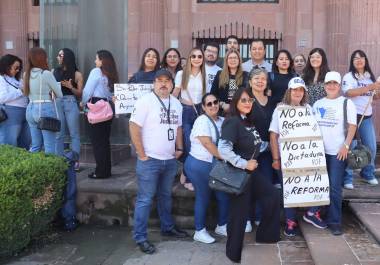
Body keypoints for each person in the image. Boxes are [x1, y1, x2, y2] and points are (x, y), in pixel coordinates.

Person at [129, 69, 188, 254]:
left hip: (169, 160)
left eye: (167, 81)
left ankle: (167, 228)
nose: (163, 84)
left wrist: (179, 148)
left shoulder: (176, 103)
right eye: (159, 80)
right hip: (150, 160)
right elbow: (134, 127)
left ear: (172, 84)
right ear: (154, 83)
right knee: (145, 199)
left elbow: (178, 128)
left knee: (165, 197)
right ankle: (140, 237)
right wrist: (142, 154)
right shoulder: (145, 101)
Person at [219, 87, 280, 263]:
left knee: (272, 195)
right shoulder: (232, 122)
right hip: (239, 174)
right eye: (243, 100)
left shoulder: (248, 121)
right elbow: (223, 149)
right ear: (236, 102)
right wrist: (244, 163)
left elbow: (257, 145)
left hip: (252, 173)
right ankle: (233, 253)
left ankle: (266, 236)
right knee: (239, 215)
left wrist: (278, 144)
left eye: (250, 100)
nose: (247, 103)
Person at [269, 77, 327, 237]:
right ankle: (290, 221)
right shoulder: (280, 109)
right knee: (289, 189)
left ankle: (312, 213)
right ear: (289, 91)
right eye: (294, 89)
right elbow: (273, 135)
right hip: (287, 158)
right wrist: (275, 159)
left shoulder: (309, 108)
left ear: (304, 92)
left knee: (316, 183)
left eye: (301, 90)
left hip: (307, 156)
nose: (298, 92)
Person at [313, 71, 357, 235]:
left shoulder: (346, 103)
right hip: (318, 152)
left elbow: (352, 126)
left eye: (335, 83)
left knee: (335, 187)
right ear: (324, 85)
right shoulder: (317, 103)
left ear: (339, 86)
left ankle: (335, 221)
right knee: (321, 186)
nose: (331, 86)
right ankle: (321, 213)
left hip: (338, 152)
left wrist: (346, 145)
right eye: (328, 83)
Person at [184, 93, 229, 244]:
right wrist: (225, 158)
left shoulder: (222, 120)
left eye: (215, 102)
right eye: (208, 104)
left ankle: (222, 225)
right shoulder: (202, 120)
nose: (213, 105)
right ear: (203, 107)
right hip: (200, 164)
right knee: (203, 196)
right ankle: (199, 230)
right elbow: (207, 143)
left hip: (215, 165)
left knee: (223, 194)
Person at [342, 50, 380, 188]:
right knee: (350, 147)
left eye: (361, 57)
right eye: (355, 58)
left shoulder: (370, 78)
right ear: (352, 62)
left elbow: (375, 97)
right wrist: (370, 87)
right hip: (351, 118)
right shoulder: (349, 77)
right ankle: (347, 178)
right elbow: (349, 92)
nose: (359, 60)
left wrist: (377, 90)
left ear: (365, 60)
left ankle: (367, 173)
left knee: (371, 147)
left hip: (366, 117)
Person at [248, 67, 278, 230]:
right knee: (247, 185)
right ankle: (247, 218)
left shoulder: (272, 102)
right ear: (250, 81)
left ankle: (260, 216)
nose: (260, 81)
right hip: (249, 151)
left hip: (267, 151)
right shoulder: (246, 100)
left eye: (263, 79)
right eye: (257, 78)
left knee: (265, 184)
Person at [173, 47, 207, 191]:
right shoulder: (181, 74)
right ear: (190, 58)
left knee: (198, 143)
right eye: (194, 56)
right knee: (187, 143)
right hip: (186, 110)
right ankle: (187, 175)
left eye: (200, 56)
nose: (197, 59)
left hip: (200, 110)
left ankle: (188, 172)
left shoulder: (204, 74)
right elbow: (175, 93)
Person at [82, 50, 119, 179]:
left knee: (97, 142)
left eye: (97, 58)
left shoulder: (96, 72)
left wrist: (83, 102)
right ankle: (105, 170)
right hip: (107, 107)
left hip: (96, 107)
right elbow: (110, 94)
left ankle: (100, 171)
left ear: (102, 60)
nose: (95, 61)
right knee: (104, 141)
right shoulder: (111, 74)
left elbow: (87, 91)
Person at [24, 47, 63, 154]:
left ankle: (34, 169)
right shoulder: (46, 74)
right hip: (44, 109)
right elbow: (59, 94)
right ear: (42, 59)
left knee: (35, 145)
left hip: (30, 109)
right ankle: (49, 170)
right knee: (49, 146)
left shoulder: (26, 74)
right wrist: (51, 92)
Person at [53, 48, 83, 168]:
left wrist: (71, 87)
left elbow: (80, 94)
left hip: (71, 101)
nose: (58, 57)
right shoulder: (53, 71)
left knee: (74, 133)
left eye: (60, 55)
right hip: (57, 102)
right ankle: (58, 160)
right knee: (59, 133)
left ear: (67, 57)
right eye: (58, 55)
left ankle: (74, 161)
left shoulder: (77, 74)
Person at [0, 54, 30, 149]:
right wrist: (20, 91)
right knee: (9, 141)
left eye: (19, 68)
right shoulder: (1, 79)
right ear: (7, 66)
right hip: (11, 112)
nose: (18, 70)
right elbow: (2, 97)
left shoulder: (18, 80)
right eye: (16, 67)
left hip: (25, 112)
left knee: (25, 140)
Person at [210, 49, 248, 116]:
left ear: (239, 61)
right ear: (226, 61)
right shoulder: (219, 74)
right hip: (222, 113)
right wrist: (222, 104)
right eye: (230, 58)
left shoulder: (245, 75)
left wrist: (234, 106)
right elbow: (213, 95)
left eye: (235, 58)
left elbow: (248, 95)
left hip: (240, 113)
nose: (233, 60)